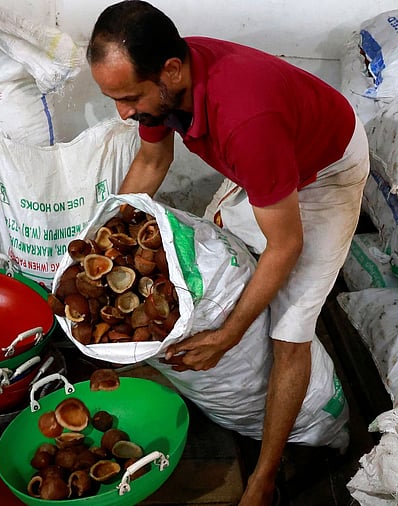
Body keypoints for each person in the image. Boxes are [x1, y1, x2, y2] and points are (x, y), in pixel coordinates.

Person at [87, 2, 369, 504]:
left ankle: (263, 479)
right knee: (232, 254)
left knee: (289, 329)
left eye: (128, 98)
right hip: (274, 161)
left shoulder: (245, 122)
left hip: (325, 170)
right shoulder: (168, 85)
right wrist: (107, 239)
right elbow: (152, 160)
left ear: (171, 71)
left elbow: (287, 245)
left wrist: (229, 334)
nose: (123, 113)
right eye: (115, 98)